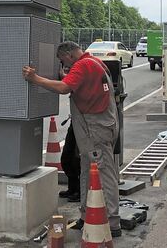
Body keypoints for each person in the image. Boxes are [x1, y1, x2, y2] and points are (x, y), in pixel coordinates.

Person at [22, 41, 121, 237]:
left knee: (103, 172)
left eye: (62, 61)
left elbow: (65, 88)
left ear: (68, 54)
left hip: (95, 127)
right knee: (87, 170)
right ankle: (87, 215)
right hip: (99, 125)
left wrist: (35, 78)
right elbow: (75, 82)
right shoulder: (94, 61)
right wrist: (65, 77)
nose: (64, 65)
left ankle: (111, 221)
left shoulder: (83, 65)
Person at [58, 118, 80, 202]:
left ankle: (79, 190)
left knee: (77, 160)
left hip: (85, 123)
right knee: (66, 159)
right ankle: (72, 188)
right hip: (74, 122)